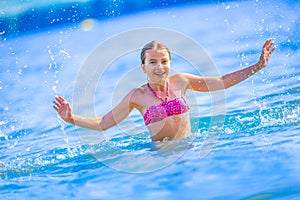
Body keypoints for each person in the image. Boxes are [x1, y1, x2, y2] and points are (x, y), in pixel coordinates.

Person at [53, 39, 275, 142]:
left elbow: (222, 82)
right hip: (160, 157)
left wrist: (257, 66)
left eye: (164, 61)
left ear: (170, 62)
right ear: (143, 67)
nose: (159, 67)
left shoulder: (182, 81)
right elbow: (103, 123)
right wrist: (71, 119)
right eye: (152, 63)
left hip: (190, 146)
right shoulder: (136, 96)